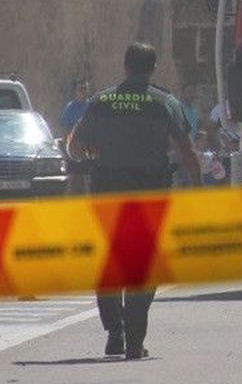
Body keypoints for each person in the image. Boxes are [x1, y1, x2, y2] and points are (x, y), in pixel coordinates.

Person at [67, 42, 200, 360]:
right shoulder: (165, 102)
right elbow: (186, 151)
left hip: (107, 191)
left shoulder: (101, 100)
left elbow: (73, 147)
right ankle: (134, 341)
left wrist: (86, 155)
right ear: (152, 68)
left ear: (125, 66)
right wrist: (197, 190)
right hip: (149, 193)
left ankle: (116, 330)